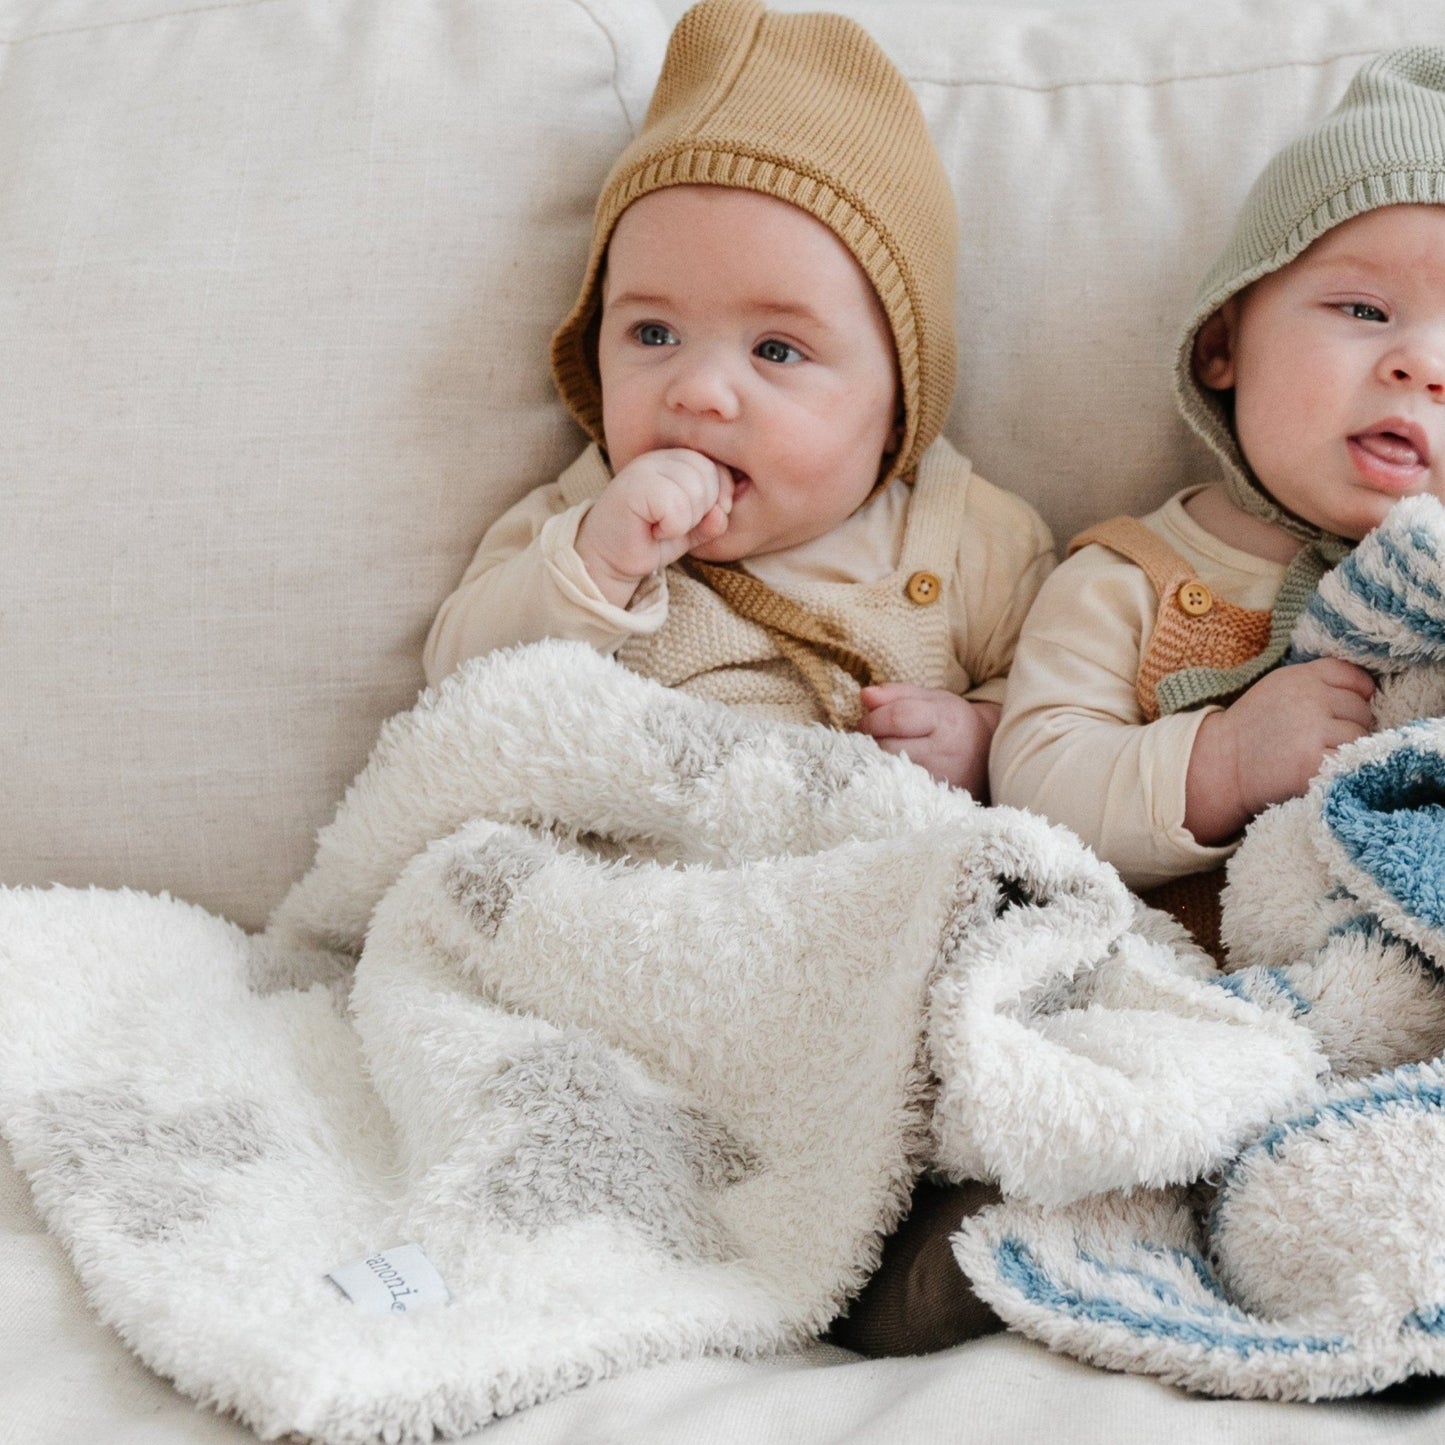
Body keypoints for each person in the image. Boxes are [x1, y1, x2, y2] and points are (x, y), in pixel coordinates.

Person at [423, 0, 1054, 803]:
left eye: (776, 351)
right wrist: (595, 565)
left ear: (899, 404)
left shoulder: (977, 545)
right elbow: (458, 684)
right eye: (653, 334)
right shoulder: (574, 519)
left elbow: (1070, 724)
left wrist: (983, 736)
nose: (696, 390)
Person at [991, 47, 1445, 955]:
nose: (1421, 365)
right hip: (1198, 993)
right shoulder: (1129, 576)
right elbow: (1032, 785)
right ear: (1220, 346)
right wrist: (1223, 759)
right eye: (1362, 310)